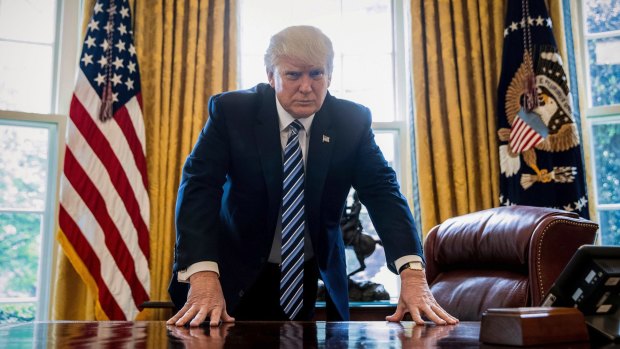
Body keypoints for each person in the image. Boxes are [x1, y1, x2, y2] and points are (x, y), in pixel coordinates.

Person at [167, 25, 457, 327]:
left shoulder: (351, 122)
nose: (306, 86)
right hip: (229, 274)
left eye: (316, 74)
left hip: (304, 276)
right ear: (271, 76)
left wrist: (412, 273)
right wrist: (202, 275)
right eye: (293, 75)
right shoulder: (232, 112)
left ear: (329, 76)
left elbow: (383, 193)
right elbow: (199, 188)